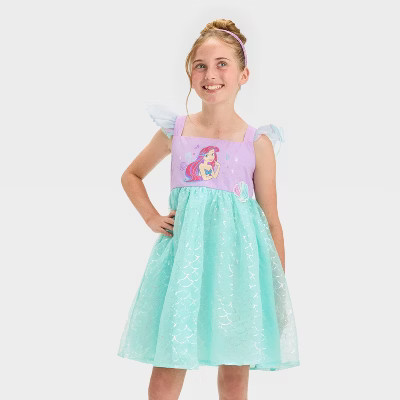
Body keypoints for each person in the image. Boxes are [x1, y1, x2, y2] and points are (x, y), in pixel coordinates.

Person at [117, 18, 300, 400]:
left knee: (234, 376)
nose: (210, 74)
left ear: (243, 75)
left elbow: (271, 222)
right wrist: (151, 217)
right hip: (183, 267)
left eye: (222, 65)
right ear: (190, 73)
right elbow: (131, 175)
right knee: (168, 367)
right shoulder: (177, 131)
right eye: (200, 65)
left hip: (239, 272)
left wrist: (276, 289)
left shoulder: (257, 143)